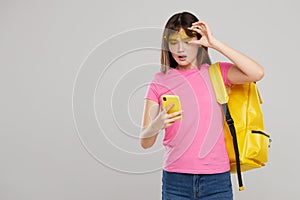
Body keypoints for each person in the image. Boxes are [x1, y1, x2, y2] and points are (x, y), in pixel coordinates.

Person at [140, 11, 264, 200]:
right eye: (174, 42)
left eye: (187, 41)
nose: (180, 49)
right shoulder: (159, 81)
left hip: (217, 180)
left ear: (199, 42)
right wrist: (156, 125)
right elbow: (145, 142)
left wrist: (214, 43)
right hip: (176, 180)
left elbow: (256, 73)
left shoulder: (217, 73)